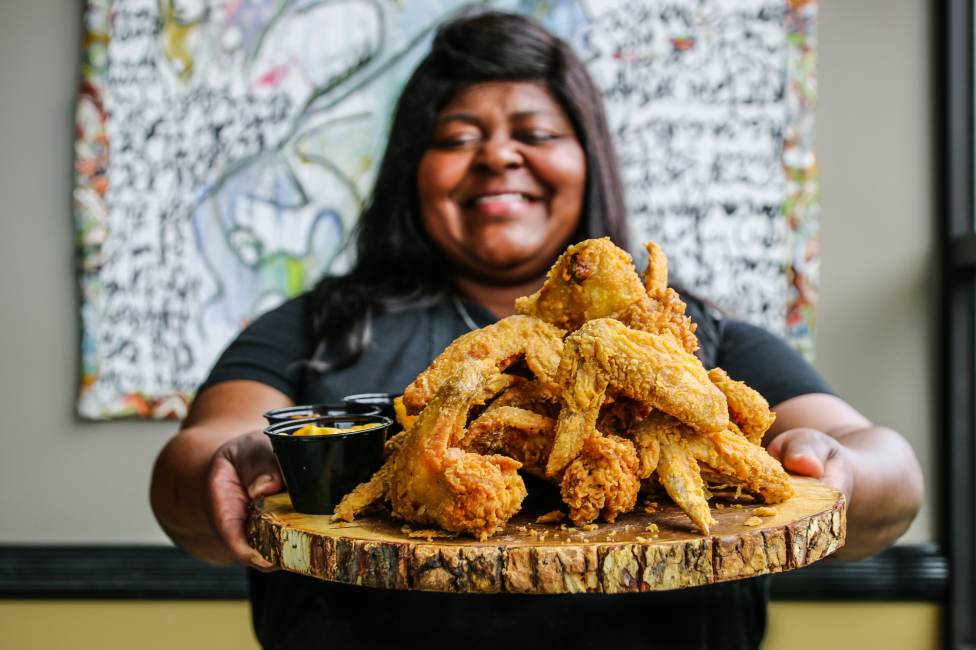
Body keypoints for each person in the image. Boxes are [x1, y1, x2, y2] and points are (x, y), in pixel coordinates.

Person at [150, 11, 923, 650]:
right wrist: (238, 458)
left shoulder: (692, 338)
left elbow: (890, 472)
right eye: (456, 138)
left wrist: (838, 469)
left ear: (589, 162)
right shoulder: (318, 327)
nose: (498, 157)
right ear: (409, 171)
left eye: (537, 133)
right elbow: (193, 461)